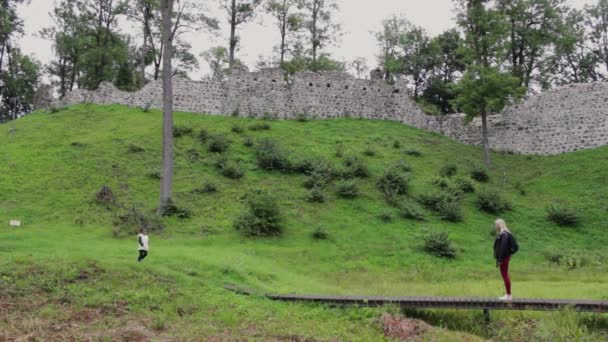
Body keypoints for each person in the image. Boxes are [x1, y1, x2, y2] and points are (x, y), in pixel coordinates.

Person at [493, 218, 518, 300]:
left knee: (505, 275)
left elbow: (503, 247)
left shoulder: (504, 234)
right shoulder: (506, 233)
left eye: (496, 224)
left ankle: (508, 295)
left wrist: (500, 259)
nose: (495, 226)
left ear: (499, 224)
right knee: (505, 275)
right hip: (505, 257)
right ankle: (508, 294)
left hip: (504, 258)